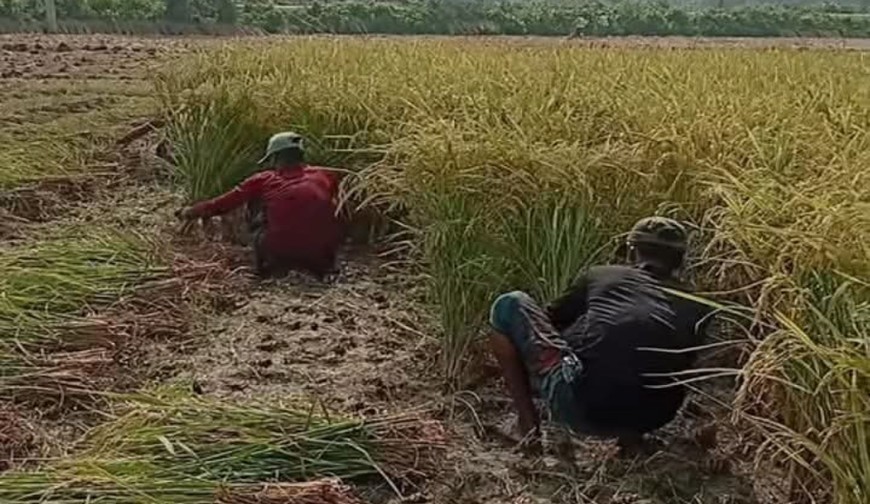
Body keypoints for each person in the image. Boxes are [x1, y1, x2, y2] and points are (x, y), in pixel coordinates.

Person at [488, 217, 713, 454]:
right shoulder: (700, 306)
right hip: (655, 417)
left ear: (631, 251)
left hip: (584, 408)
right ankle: (631, 438)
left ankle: (527, 428)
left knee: (509, 304)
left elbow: (549, 322)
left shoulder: (603, 275)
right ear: (680, 261)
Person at [178, 132, 342, 279]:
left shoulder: (263, 180)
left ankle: (264, 271)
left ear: (275, 157)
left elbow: (223, 204)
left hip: (280, 252)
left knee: (259, 203)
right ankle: (327, 268)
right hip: (320, 256)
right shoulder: (325, 175)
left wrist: (189, 212)